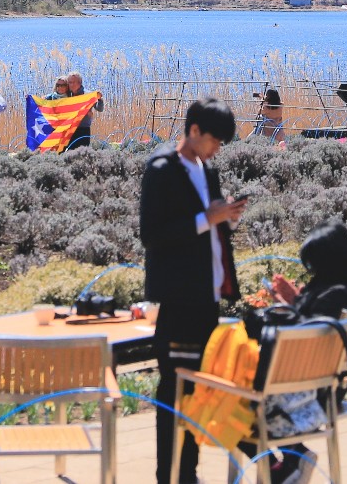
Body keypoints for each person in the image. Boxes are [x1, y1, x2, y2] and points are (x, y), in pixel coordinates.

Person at [142, 98, 244, 484]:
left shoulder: (207, 168)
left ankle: (190, 474)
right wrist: (207, 219)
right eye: (214, 140)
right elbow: (153, 235)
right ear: (194, 131)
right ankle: (171, 476)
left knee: (199, 391)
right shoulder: (163, 169)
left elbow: (207, 226)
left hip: (208, 296)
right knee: (175, 392)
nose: (217, 148)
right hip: (180, 298)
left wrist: (223, 218)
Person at [256, 221, 347, 484]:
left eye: (314, 265)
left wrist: (291, 310)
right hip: (335, 385)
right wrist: (297, 302)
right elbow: (319, 325)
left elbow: (305, 345)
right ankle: (291, 463)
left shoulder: (332, 296)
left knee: (226, 406)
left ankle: (285, 462)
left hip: (307, 394)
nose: (312, 272)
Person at [62, 71, 102, 148]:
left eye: (73, 82)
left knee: (81, 154)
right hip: (68, 130)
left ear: (80, 83)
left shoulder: (88, 95)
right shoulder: (67, 95)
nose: (71, 85)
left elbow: (99, 109)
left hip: (83, 130)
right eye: (70, 82)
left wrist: (100, 100)